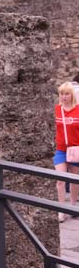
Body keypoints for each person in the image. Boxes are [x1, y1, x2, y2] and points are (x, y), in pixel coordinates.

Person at [54, 82, 79, 219]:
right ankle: (61, 209)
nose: (64, 97)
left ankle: (73, 206)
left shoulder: (78, 110)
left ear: (72, 95)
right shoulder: (57, 110)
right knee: (60, 180)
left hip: (76, 150)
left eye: (67, 94)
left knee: (74, 181)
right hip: (61, 150)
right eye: (61, 94)